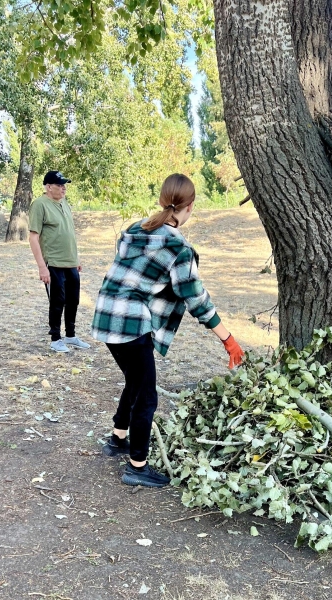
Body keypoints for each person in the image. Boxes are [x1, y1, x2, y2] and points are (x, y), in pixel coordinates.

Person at [91, 173, 244, 488]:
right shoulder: (178, 246)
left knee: (135, 382)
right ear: (189, 206)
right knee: (147, 395)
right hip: (131, 323)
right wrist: (228, 340)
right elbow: (197, 300)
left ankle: (118, 439)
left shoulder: (136, 229)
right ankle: (137, 466)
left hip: (105, 316)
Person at [28, 170, 91, 353]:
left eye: (64, 185)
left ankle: (70, 335)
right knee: (58, 301)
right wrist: (42, 267)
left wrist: (76, 258)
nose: (64, 188)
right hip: (53, 262)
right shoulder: (40, 205)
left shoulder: (64, 202)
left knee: (73, 300)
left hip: (70, 261)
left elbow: (69, 232)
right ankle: (56, 338)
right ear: (48, 187)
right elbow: (33, 237)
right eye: (59, 185)